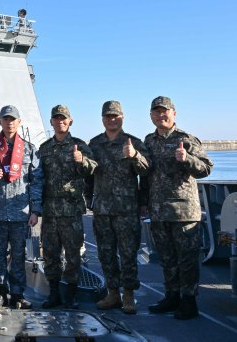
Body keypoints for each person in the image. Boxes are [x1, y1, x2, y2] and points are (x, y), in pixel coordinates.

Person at [144, 96, 213, 320]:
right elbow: (146, 175)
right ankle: (171, 296)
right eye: (157, 112)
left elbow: (206, 169)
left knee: (187, 259)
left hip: (184, 212)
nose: (161, 115)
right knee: (166, 257)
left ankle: (188, 300)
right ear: (151, 116)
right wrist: (143, 202)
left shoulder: (187, 140)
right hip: (158, 211)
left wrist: (187, 159)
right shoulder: (149, 141)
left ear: (174, 113)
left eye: (165, 111)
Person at [0, 105, 43, 310]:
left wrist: (35, 210)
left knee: (19, 255)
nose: (9, 122)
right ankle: (0, 293)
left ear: (19, 122)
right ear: (0, 122)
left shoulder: (30, 150)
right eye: (6, 119)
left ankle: (18, 294)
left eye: (13, 119)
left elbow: (36, 181)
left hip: (21, 213)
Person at [87, 100, 150, 314]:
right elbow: (88, 175)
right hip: (103, 210)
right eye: (107, 116)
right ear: (102, 119)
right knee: (106, 253)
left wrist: (134, 156)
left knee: (128, 254)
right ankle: (113, 293)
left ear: (122, 117)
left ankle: (129, 295)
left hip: (127, 210)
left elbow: (146, 171)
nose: (111, 120)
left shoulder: (134, 143)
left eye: (115, 116)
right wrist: (89, 200)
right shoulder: (94, 144)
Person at [37, 104, 97, 309]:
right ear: (51, 122)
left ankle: (70, 296)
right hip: (50, 211)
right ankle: (54, 294)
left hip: (71, 211)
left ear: (70, 121)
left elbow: (93, 169)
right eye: (56, 118)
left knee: (73, 255)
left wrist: (82, 161)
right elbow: (37, 178)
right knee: (50, 255)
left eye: (64, 118)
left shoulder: (80, 146)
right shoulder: (44, 149)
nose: (60, 121)